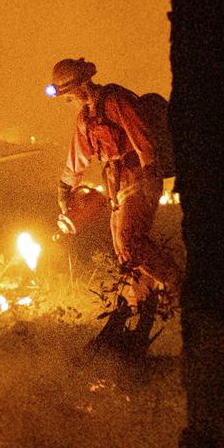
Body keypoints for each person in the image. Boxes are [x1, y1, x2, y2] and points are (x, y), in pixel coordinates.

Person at [49, 56, 182, 327]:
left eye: (68, 93)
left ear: (82, 85)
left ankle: (179, 288)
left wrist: (151, 175)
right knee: (124, 251)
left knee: (132, 241)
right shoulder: (85, 117)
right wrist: (65, 189)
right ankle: (142, 307)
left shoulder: (115, 100)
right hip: (115, 185)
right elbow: (77, 159)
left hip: (137, 178)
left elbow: (142, 137)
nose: (67, 100)